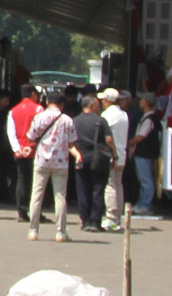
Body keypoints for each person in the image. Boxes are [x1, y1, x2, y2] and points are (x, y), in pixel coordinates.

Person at [23, 93, 74, 242]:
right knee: (60, 197)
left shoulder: (39, 117)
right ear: (62, 105)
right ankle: (61, 232)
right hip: (61, 162)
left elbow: (30, 136)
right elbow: (72, 142)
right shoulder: (67, 120)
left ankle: (33, 230)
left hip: (41, 161)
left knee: (37, 195)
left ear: (46, 102)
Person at [71, 94, 110, 233]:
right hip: (97, 158)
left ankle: (85, 220)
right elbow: (109, 139)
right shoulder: (100, 121)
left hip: (80, 157)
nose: (99, 108)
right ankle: (95, 221)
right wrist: (114, 154)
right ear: (92, 106)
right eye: (98, 105)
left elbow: (70, 141)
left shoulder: (74, 121)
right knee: (98, 188)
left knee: (83, 190)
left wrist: (76, 154)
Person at [98, 88, 132, 230]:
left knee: (110, 186)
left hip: (112, 155)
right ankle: (117, 217)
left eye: (103, 100)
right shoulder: (124, 115)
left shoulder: (107, 115)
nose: (102, 102)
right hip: (122, 154)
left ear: (108, 100)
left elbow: (105, 136)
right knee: (118, 185)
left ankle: (111, 217)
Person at [130, 95, 166, 217]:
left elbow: (141, 136)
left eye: (142, 100)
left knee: (146, 180)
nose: (140, 102)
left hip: (145, 153)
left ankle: (146, 204)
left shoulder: (150, 118)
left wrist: (131, 142)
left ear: (147, 102)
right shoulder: (148, 117)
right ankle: (141, 203)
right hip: (144, 153)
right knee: (143, 178)